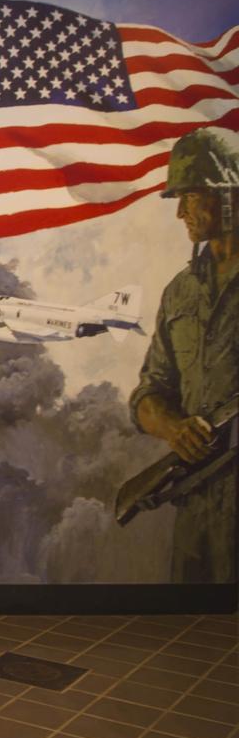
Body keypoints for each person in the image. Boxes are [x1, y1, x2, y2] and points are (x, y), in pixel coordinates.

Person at [131, 127, 238, 583]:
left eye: (191, 196)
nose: (180, 212)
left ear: (228, 194)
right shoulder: (179, 293)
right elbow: (148, 393)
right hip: (196, 503)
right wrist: (174, 428)